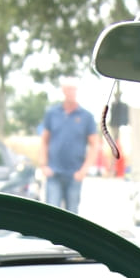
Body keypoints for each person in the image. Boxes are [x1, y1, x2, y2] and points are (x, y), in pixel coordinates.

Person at [39, 79, 99, 215]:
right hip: (54, 172)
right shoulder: (52, 114)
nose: (71, 93)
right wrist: (43, 165)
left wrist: (84, 170)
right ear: (63, 91)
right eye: (68, 89)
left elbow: (94, 144)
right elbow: (44, 140)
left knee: (72, 214)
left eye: (74, 89)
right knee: (51, 212)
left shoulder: (86, 117)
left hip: (74, 173)